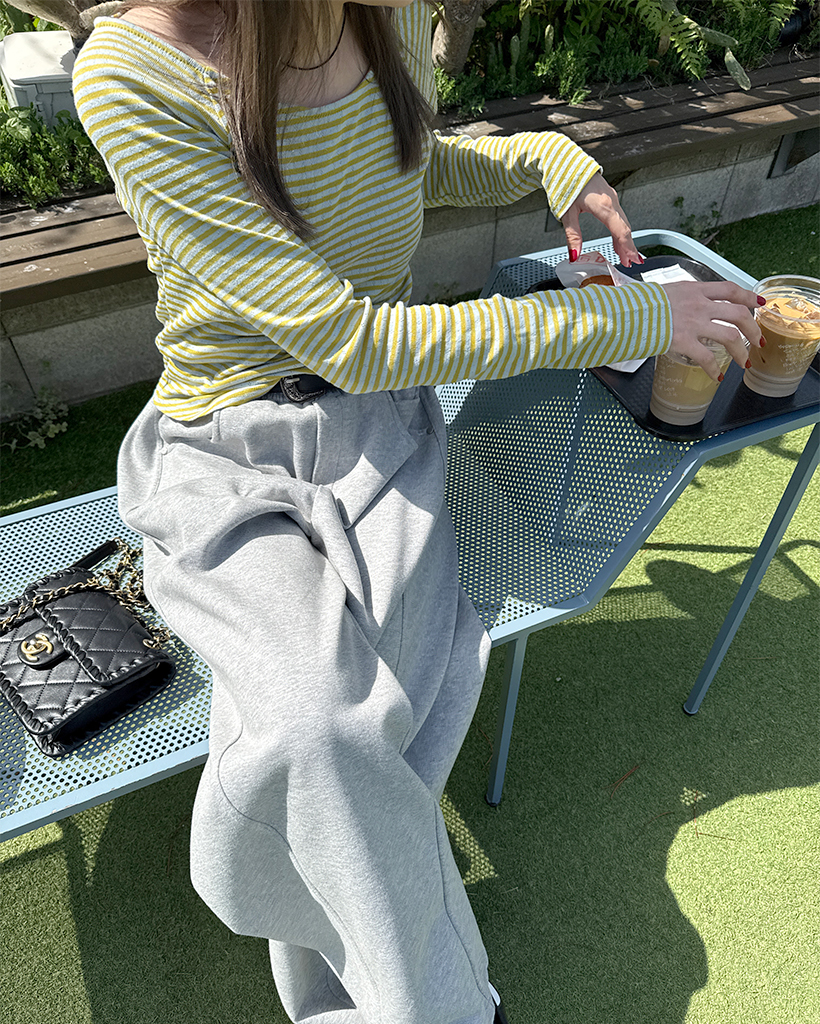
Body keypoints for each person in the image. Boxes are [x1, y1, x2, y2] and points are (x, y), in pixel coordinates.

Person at [72, 3, 763, 1022]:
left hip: (381, 431)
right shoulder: (132, 73)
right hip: (223, 444)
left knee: (364, 727)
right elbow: (349, 340)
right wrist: (626, 315)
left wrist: (541, 156)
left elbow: (401, 161)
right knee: (316, 726)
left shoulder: (382, 9)